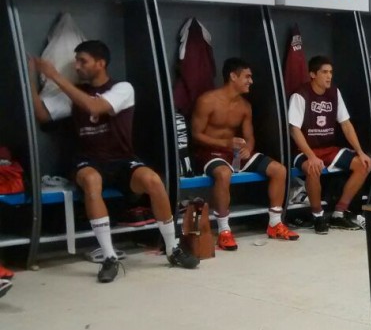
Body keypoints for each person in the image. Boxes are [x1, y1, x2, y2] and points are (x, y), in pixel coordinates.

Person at [27, 40, 199, 282]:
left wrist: (55, 75)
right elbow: (43, 115)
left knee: (153, 180)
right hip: (87, 161)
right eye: (76, 61)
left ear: (101, 63)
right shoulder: (74, 94)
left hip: (121, 159)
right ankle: (109, 257)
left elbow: (95, 106)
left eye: (83, 61)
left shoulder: (123, 88)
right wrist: (30, 78)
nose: (77, 66)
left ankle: (173, 249)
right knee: (91, 180)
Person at [192, 58, 298, 250]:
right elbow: (196, 135)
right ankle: (224, 231)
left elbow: (249, 137)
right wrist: (225, 143)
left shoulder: (244, 106)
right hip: (209, 152)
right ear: (233, 76)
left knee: (279, 170)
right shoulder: (207, 101)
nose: (251, 81)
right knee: (223, 174)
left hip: (233, 152)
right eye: (247, 77)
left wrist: (247, 148)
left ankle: (275, 224)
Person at [288, 56, 371, 233]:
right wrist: (311, 156)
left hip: (328, 147)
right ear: (312, 74)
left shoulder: (334, 92)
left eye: (331, 72)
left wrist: (360, 151)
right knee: (313, 168)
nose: (329, 76)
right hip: (304, 149)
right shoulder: (300, 95)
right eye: (324, 72)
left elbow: (346, 124)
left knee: (364, 164)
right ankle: (318, 216)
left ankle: (339, 213)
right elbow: (294, 130)